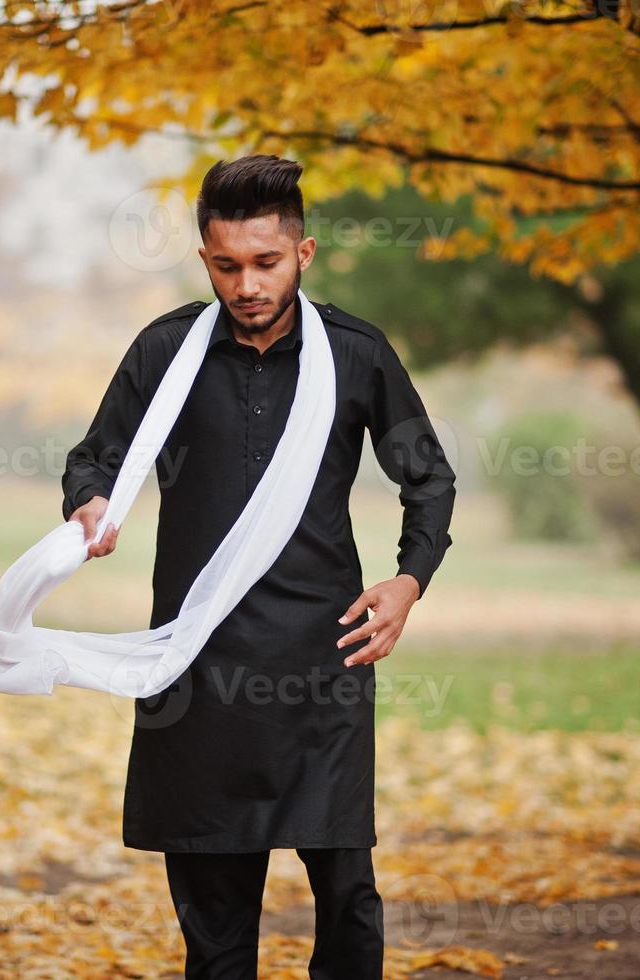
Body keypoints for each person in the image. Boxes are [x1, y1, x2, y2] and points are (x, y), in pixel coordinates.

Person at [60, 154, 456, 980]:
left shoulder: (355, 354)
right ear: (204, 257)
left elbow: (429, 478)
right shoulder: (165, 350)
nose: (246, 284)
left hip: (324, 665)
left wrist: (406, 581)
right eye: (227, 264)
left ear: (302, 255)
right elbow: (92, 458)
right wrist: (91, 504)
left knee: (348, 900)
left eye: (265, 263)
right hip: (198, 666)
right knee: (214, 924)